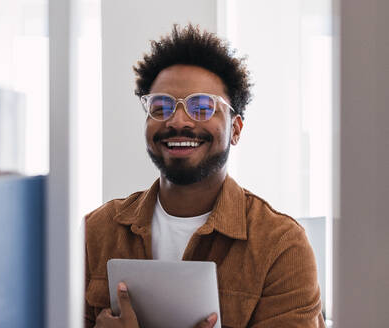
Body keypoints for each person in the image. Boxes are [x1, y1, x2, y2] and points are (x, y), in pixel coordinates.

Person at [85, 24, 324, 328]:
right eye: (161, 106)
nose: (178, 121)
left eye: (201, 107)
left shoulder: (281, 246)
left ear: (235, 129)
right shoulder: (95, 233)